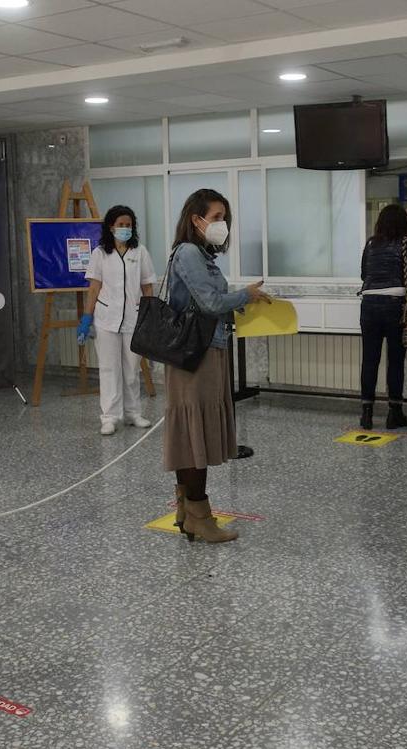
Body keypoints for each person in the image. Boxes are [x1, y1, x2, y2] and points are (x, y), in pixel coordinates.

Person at [164, 188, 270, 543]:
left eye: (225, 218)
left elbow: (208, 300)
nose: (222, 224)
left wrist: (245, 300)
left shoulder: (200, 255)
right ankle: (200, 516)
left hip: (203, 350)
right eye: (216, 217)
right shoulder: (190, 253)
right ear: (196, 220)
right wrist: (246, 295)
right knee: (196, 438)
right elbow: (209, 302)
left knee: (192, 437)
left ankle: (187, 512)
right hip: (197, 355)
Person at [76, 205, 157, 436]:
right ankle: (110, 417)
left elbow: (148, 285)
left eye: (128, 225)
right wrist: (86, 317)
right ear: (111, 226)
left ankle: (133, 413)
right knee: (109, 369)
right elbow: (94, 288)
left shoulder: (139, 252)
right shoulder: (100, 253)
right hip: (106, 319)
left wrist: (150, 315)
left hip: (134, 317)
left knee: (131, 368)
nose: (124, 228)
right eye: (120, 225)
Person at [359, 203, 407, 430]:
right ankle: (395, 413)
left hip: (369, 305)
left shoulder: (370, 244)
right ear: (404, 225)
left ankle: (367, 414)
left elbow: (364, 274)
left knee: (370, 360)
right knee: (395, 361)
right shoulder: (406, 245)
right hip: (395, 307)